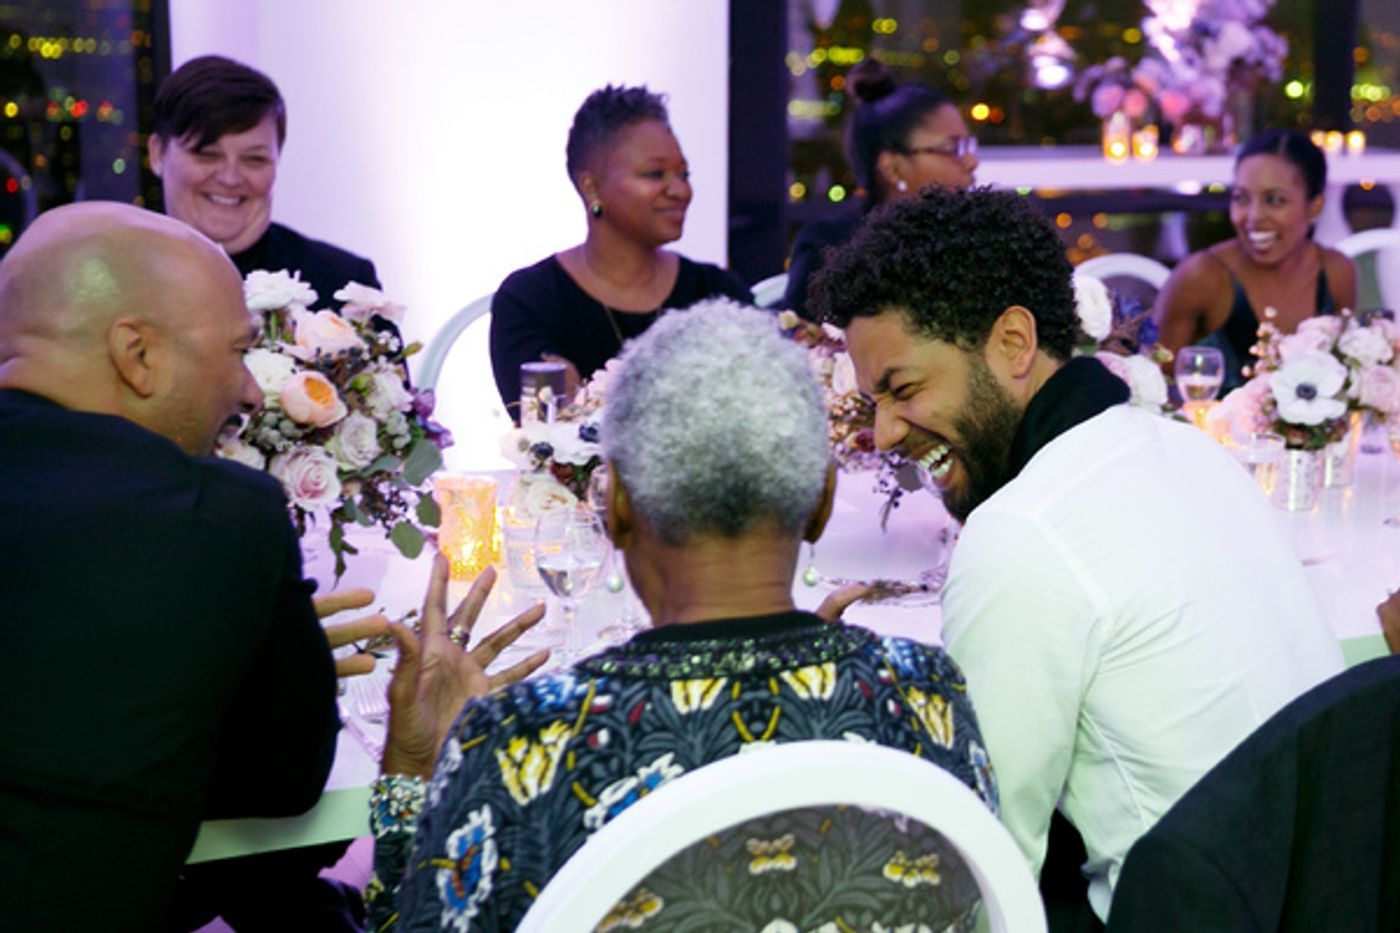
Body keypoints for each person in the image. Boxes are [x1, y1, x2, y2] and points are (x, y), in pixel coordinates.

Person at [370, 301, 998, 931]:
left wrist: (414, 774)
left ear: (615, 503)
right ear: (822, 500)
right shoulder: (926, 694)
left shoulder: (522, 739)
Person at [810, 186, 1345, 925]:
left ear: (1013, 343)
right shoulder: (1186, 447)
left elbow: (980, 866)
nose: (886, 433)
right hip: (1321, 889)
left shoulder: (1023, 531)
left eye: (902, 389)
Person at [0, 201, 339, 931]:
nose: (252, 390)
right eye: (239, 351)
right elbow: (281, 792)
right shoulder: (216, 516)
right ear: (137, 354)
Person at [489, 85, 751, 416]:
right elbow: (543, 432)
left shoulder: (716, 292)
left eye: (684, 174)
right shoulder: (530, 301)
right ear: (591, 187)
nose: (680, 190)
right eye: (655, 174)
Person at [149, 55, 379, 308]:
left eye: (254, 159)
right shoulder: (119, 275)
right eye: (208, 155)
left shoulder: (342, 284)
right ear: (157, 154)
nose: (230, 178)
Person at [1154, 128, 1357, 392]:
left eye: (1274, 200)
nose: (1253, 217)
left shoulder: (1336, 273)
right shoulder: (1201, 278)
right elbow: (1155, 388)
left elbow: (1344, 382)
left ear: (1314, 207)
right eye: (1241, 198)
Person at [783, 59, 977, 319]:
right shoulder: (830, 246)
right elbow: (803, 335)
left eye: (967, 146)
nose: (971, 162)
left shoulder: (976, 240)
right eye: (951, 148)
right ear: (892, 168)